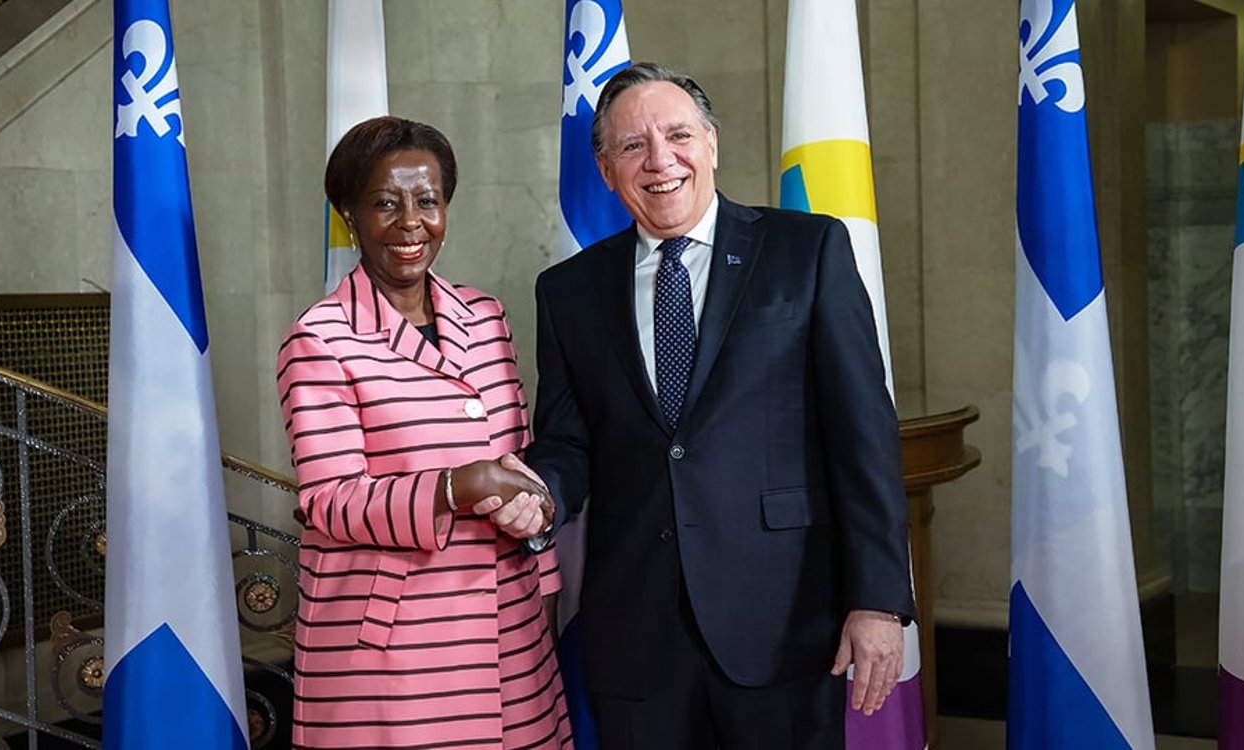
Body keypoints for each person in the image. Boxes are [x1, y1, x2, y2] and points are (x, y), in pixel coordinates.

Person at [526, 62, 914, 749]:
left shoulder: (807, 250)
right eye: (632, 146)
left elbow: (864, 435)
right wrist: (536, 492)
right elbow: (568, 442)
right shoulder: (568, 292)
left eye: (678, 135)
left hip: (785, 623)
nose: (660, 159)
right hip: (636, 633)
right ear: (606, 168)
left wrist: (879, 599)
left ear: (711, 144)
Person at [277, 116, 572, 749]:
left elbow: (520, 463)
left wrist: (544, 571)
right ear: (350, 216)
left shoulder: (487, 317)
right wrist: (455, 486)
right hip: (394, 661)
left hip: (511, 638)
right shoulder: (319, 339)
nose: (411, 222)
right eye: (385, 203)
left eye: (427, 200)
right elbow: (328, 500)